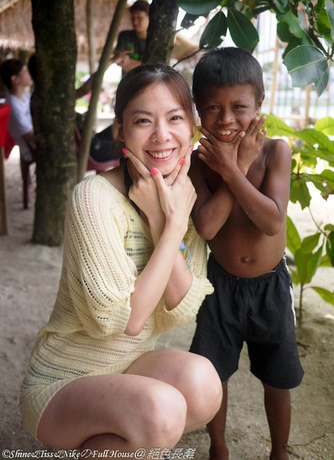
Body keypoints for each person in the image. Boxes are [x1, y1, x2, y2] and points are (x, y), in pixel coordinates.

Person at [19, 64, 222, 454]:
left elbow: (180, 308)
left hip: (129, 369)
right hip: (63, 380)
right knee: (160, 410)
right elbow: (122, 319)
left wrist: (169, 219)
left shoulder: (185, 196)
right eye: (144, 120)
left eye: (175, 118)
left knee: (203, 384)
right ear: (121, 130)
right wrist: (172, 226)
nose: (162, 135)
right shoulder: (93, 197)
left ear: (192, 127)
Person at [189, 47, 304, 460]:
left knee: (278, 378)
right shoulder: (199, 165)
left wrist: (236, 168)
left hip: (270, 288)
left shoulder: (276, 151)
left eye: (239, 106)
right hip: (218, 286)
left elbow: (272, 222)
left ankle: (279, 452)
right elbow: (206, 226)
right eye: (212, 108)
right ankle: (218, 448)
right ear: (198, 111)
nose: (225, 119)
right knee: (211, 375)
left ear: (259, 105)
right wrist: (229, 165)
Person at [0, 58, 35, 162]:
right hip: (33, 150)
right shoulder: (14, 108)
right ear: (15, 79)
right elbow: (32, 139)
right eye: (25, 71)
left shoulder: (25, 95)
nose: (29, 74)